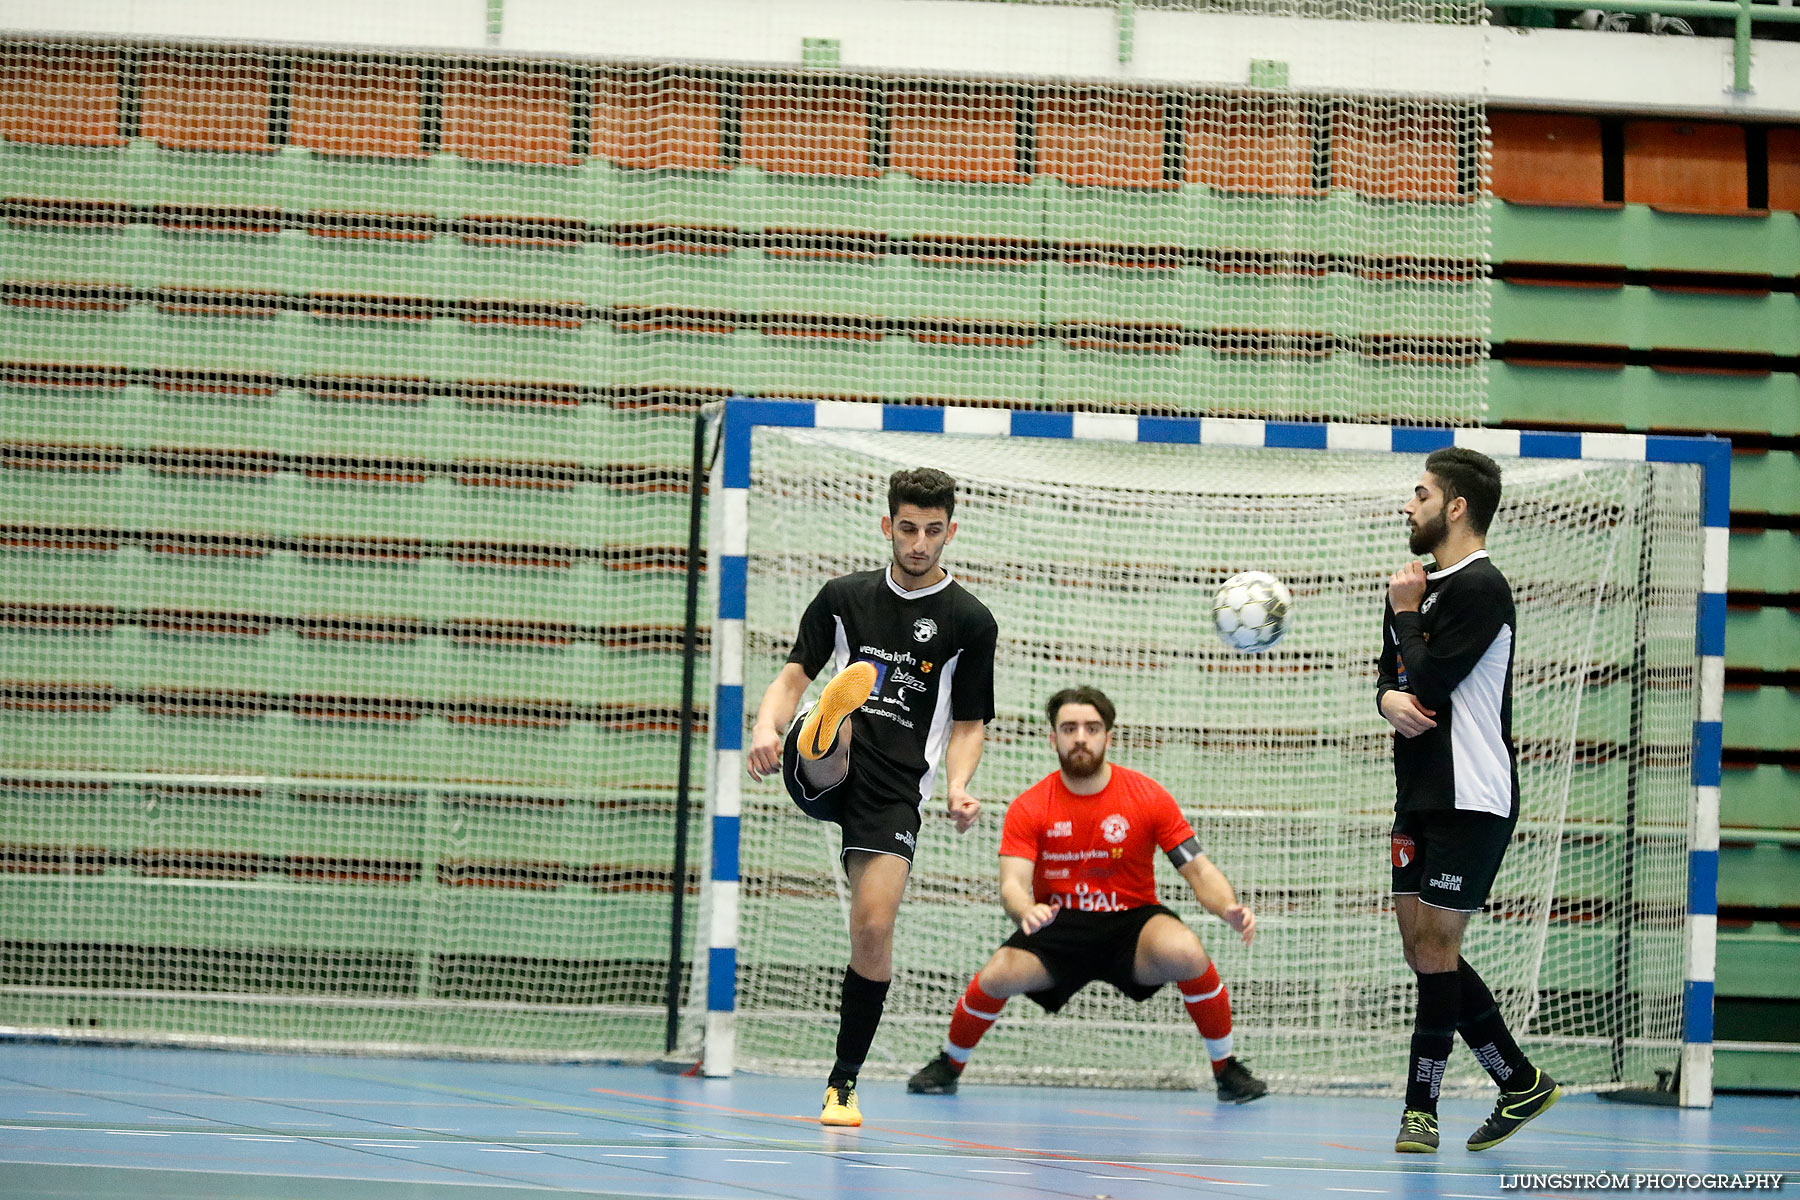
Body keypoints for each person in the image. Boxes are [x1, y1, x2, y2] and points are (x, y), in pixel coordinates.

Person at [746, 466, 998, 1128]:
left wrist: (960, 787)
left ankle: (843, 1084)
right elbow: (793, 673)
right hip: (827, 762)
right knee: (836, 730)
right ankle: (827, 726)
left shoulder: (969, 621)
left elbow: (970, 723)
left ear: (951, 531)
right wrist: (766, 726)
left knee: (874, 926)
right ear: (888, 525)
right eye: (908, 529)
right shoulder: (843, 597)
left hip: (895, 791)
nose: (919, 543)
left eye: (933, 531)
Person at [906, 685, 1267, 1104]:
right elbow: (1011, 885)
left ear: (1108, 737)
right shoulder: (1030, 806)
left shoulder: (1148, 796)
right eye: (1070, 727)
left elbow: (1199, 868)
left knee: (1186, 951)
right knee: (997, 975)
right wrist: (1025, 909)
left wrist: (1228, 908)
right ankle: (949, 1064)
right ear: (1053, 738)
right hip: (1059, 924)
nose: (1081, 737)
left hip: (1131, 925)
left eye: (1092, 728)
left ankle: (1226, 1070)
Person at [1377, 446, 1559, 1154]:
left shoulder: (1482, 587)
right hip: (1417, 790)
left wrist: (1404, 625)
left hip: (1473, 793)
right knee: (1422, 949)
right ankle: (1519, 1080)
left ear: (1455, 507)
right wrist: (1387, 696)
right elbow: (1392, 681)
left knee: (1437, 946)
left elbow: (1431, 681)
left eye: (1419, 493)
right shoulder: (1414, 587)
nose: (1408, 505)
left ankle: (1420, 1110)